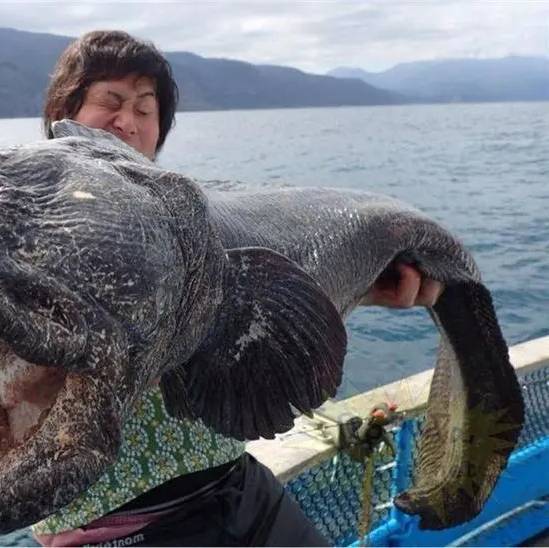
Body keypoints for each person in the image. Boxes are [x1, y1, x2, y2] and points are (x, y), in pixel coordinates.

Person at [32, 30, 443, 547]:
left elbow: (238, 323)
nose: (128, 124)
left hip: (237, 485)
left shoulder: (189, 226)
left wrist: (359, 286)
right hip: (119, 529)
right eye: (110, 102)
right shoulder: (27, 228)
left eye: (145, 109)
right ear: (61, 113)